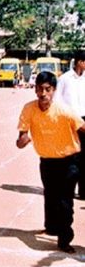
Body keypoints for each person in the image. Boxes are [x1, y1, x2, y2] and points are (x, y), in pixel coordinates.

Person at [16, 72, 85, 253]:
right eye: (40, 89)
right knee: (51, 196)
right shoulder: (29, 109)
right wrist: (22, 141)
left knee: (65, 201)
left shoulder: (64, 111)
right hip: (47, 161)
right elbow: (21, 135)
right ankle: (52, 227)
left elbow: (82, 127)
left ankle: (64, 239)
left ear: (54, 90)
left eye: (48, 89)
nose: (43, 93)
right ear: (35, 90)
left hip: (69, 161)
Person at [54, 50, 85, 200]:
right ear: (80, 62)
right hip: (70, 120)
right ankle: (69, 187)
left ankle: (84, 190)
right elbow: (57, 101)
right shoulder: (65, 79)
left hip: (84, 120)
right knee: (73, 156)